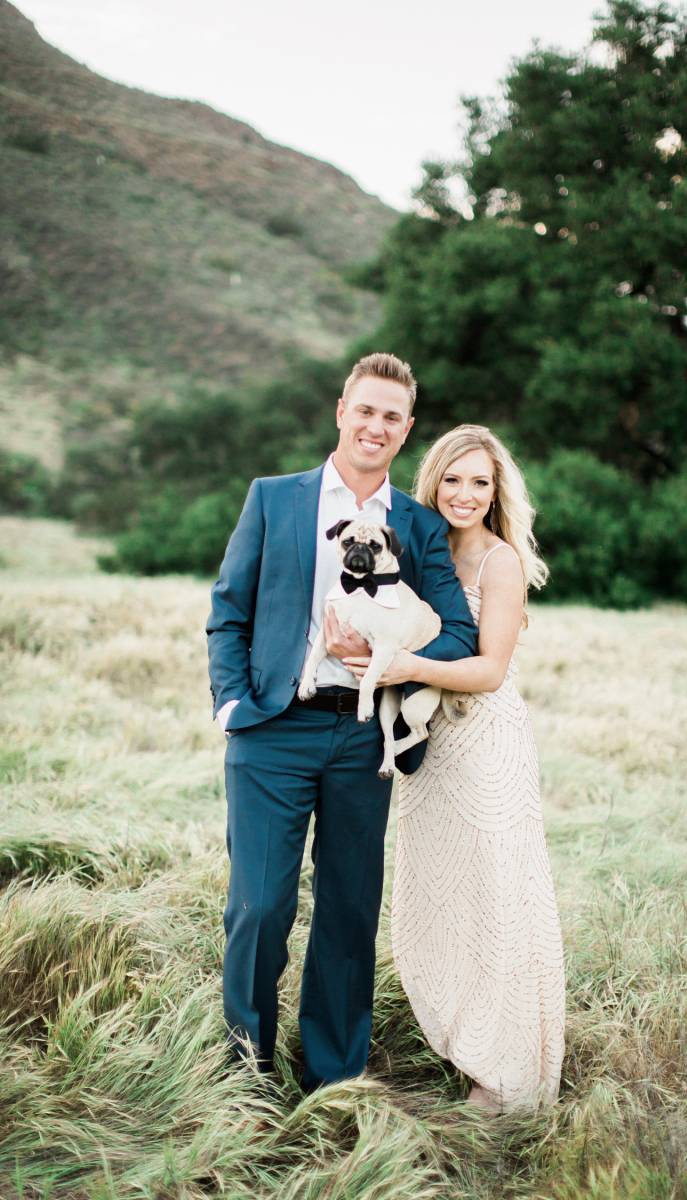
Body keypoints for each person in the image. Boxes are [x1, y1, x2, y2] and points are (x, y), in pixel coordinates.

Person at [206, 353, 477, 1092]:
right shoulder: (274, 499)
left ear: (407, 429)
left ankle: (333, 1080)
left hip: (366, 740)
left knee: (349, 911)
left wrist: (395, 663)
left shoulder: (418, 527)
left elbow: (457, 632)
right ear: (341, 411)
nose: (376, 426)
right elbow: (228, 609)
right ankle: (245, 1073)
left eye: (392, 416)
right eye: (366, 410)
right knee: (259, 907)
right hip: (272, 731)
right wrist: (233, 703)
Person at [345, 425, 566, 1113]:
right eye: (452, 480)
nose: (464, 494)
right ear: (433, 483)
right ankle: (466, 1041)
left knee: (497, 897)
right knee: (442, 898)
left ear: (496, 491)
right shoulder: (415, 550)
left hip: (486, 745)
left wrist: (407, 668)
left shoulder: (501, 564)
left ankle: (504, 1077)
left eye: (480, 482)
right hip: (427, 750)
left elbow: (491, 670)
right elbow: (387, 621)